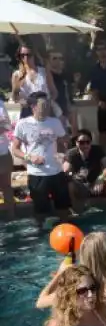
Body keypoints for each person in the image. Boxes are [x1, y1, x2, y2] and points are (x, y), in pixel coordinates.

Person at [11, 93, 71, 230]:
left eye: (47, 104)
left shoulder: (54, 122)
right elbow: (15, 149)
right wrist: (29, 157)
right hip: (37, 173)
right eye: (42, 105)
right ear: (33, 106)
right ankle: (41, 233)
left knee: (63, 206)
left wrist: (64, 150)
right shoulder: (23, 124)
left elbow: (63, 141)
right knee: (40, 210)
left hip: (56, 171)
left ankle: (66, 230)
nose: (46, 107)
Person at [63, 130, 106, 215]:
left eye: (87, 142)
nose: (85, 145)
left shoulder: (97, 150)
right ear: (76, 143)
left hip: (96, 185)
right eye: (81, 142)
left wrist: (100, 178)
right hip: (80, 185)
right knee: (68, 183)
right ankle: (76, 212)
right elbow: (66, 169)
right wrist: (67, 170)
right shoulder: (71, 153)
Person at [0, 94, 15, 219]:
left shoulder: (0, 104)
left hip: (2, 152)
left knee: (6, 186)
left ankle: (11, 218)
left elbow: (7, 125)